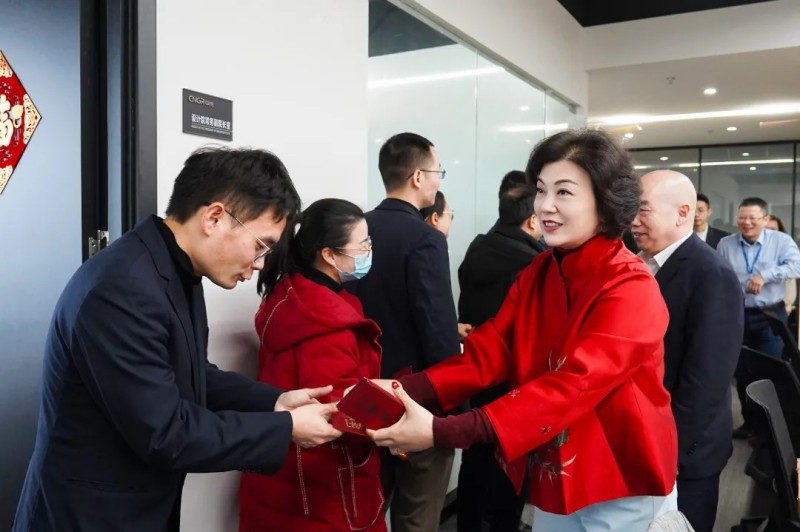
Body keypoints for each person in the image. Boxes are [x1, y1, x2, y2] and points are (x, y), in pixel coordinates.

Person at [13, 148, 342, 532]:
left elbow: (191, 372)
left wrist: (274, 402)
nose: (259, 264)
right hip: (87, 514)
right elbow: (165, 433)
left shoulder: (173, 267)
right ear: (214, 217)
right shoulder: (123, 288)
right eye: (260, 245)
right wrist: (286, 427)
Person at [368, 129, 679, 531]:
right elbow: (490, 350)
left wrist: (445, 430)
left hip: (619, 472)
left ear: (605, 204)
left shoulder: (630, 284)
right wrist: (401, 388)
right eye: (541, 190)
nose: (545, 205)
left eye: (564, 192)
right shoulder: (540, 271)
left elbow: (574, 384)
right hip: (556, 467)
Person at [239, 198, 385, 532]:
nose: (369, 251)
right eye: (363, 244)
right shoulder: (328, 325)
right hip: (322, 485)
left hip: (280, 471)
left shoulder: (290, 295)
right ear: (329, 255)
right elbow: (340, 410)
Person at [350, 132, 461, 532]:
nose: (437, 181)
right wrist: (452, 410)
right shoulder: (425, 239)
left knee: (366, 510)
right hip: (416, 399)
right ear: (417, 177)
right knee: (417, 515)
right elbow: (437, 329)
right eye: (437, 172)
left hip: (361, 394)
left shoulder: (355, 229)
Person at [631, 170, 743, 532]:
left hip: (682, 452)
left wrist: (668, 451)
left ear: (682, 213)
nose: (632, 220)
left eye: (643, 209)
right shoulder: (639, 263)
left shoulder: (711, 274)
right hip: (640, 440)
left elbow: (706, 382)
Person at [455, 183, 544, 532]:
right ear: (532, 220)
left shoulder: (477, 249)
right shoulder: (533, 264)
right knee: (511, 462)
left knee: (475, 457)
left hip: (477, 372)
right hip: (514, 378)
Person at [717, 197, 800, 439]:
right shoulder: (726, 244)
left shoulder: (780, 241)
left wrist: (765, 275)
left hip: (769, 316)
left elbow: (797, 265)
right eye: (742, 217)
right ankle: (750, 423)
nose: (747, 222)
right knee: (742, 372)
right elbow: (719, 275)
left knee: (769, 372)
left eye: (753, 218)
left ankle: (769, 430)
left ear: (765, 219)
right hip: (737, 316)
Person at [765, 214, 798, 314]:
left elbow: (790, 280)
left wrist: (787, 305)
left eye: (773, 229)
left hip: (778, 308)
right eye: (765, 229)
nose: (769, 232)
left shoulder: (784, 250)